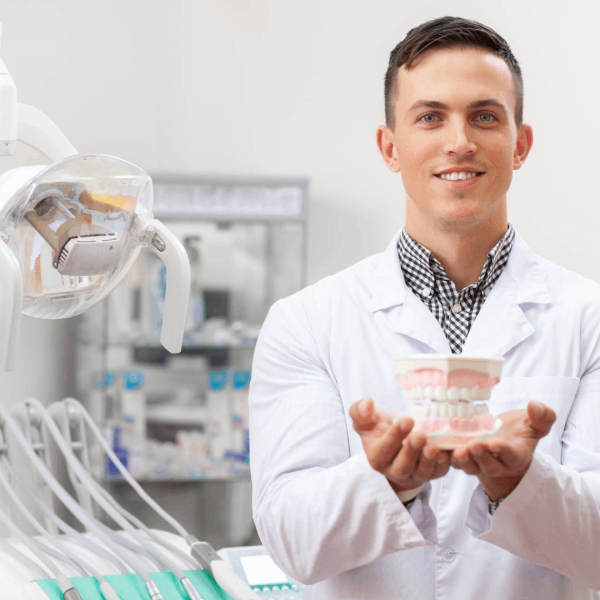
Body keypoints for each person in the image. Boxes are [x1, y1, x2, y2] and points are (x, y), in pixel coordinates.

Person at [248, 16, 600, 600]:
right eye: (430, 116)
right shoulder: (307, 322)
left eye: (484, 115)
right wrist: (385, 481)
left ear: (521, 144)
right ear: (391, 147)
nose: (458, 140)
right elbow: (290, 540)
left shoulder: (589, 318)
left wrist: (520, 484)